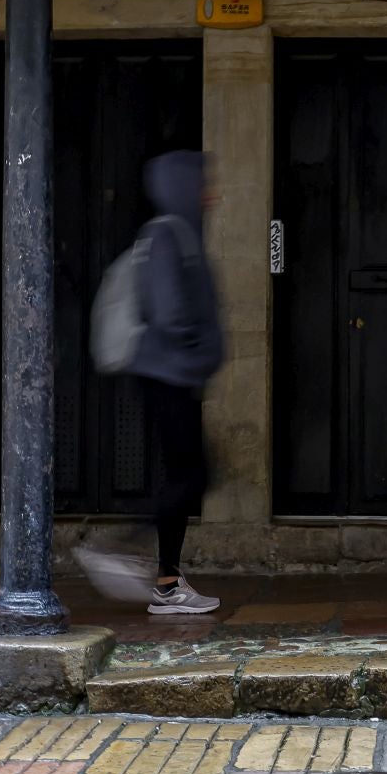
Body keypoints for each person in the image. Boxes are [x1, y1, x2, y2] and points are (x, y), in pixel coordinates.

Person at [80, 150, 225, 615]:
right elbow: (170, 311)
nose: (211, 193)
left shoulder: (177, 234)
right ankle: (125, 555)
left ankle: (166, 580)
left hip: (171, 373)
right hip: (166, 373)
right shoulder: (168, 234)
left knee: (188, 473)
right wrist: (196, 353)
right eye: (203, 184)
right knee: (192, 474)